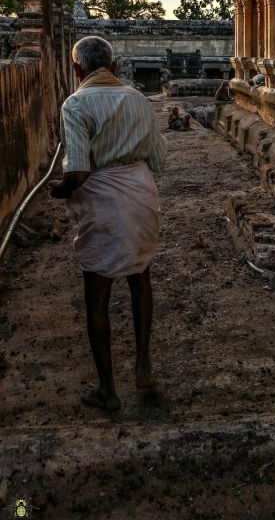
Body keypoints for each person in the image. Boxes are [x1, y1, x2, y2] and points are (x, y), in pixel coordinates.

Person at [50, 36, 168, 412]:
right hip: (140, 192)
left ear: (77, 69)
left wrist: (59, 190)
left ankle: (107, 390)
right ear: (114, 68)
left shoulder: (76, 103)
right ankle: (144, 365)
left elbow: (78, 170)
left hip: (101, 199)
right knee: (140, 277)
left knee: (98, 297)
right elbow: (159, 161)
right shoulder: (138, 99)